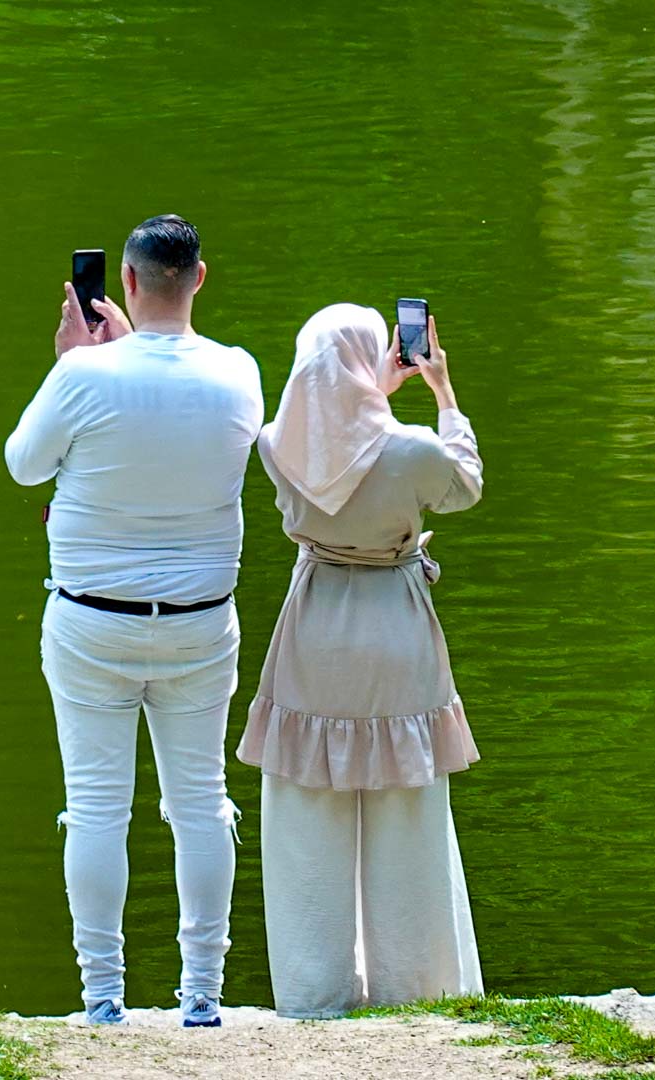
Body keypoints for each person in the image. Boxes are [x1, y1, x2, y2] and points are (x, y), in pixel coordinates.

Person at [5, 214, 262, 1028]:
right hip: (199, 623)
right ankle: (202, 995)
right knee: (201, 804)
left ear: (124, 282)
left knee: (94, 808)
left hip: (91, 624)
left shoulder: (83, 375)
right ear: (199, 279)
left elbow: (24, 466)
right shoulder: (239, 372)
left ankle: (102, 998)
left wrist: (73, 364)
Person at [237, 302, 485, 1018]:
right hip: (395, 631)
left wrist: (369, 388)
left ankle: (315, 994)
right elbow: (465, 485)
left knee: (306, 809)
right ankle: (417, 988)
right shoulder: (413, 450)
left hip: (314, 628)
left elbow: (333, 438)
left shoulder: (275, 445)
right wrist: (441, 391)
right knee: (407, 809)